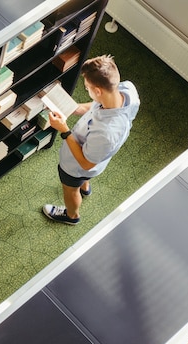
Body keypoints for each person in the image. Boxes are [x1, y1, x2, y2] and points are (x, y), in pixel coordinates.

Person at [43, 54, 140, 225]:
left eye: (87, 87)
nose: (86, 89)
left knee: (70, 189)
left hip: (77, 166)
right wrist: (75, 108)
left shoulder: (105, 133)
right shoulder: (127, 90)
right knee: (85, 178)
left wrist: (64, 130)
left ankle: (71, 215)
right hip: (99, 156)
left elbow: (86, 163)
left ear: (98, 91)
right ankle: (85, 186)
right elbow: (95, 105)